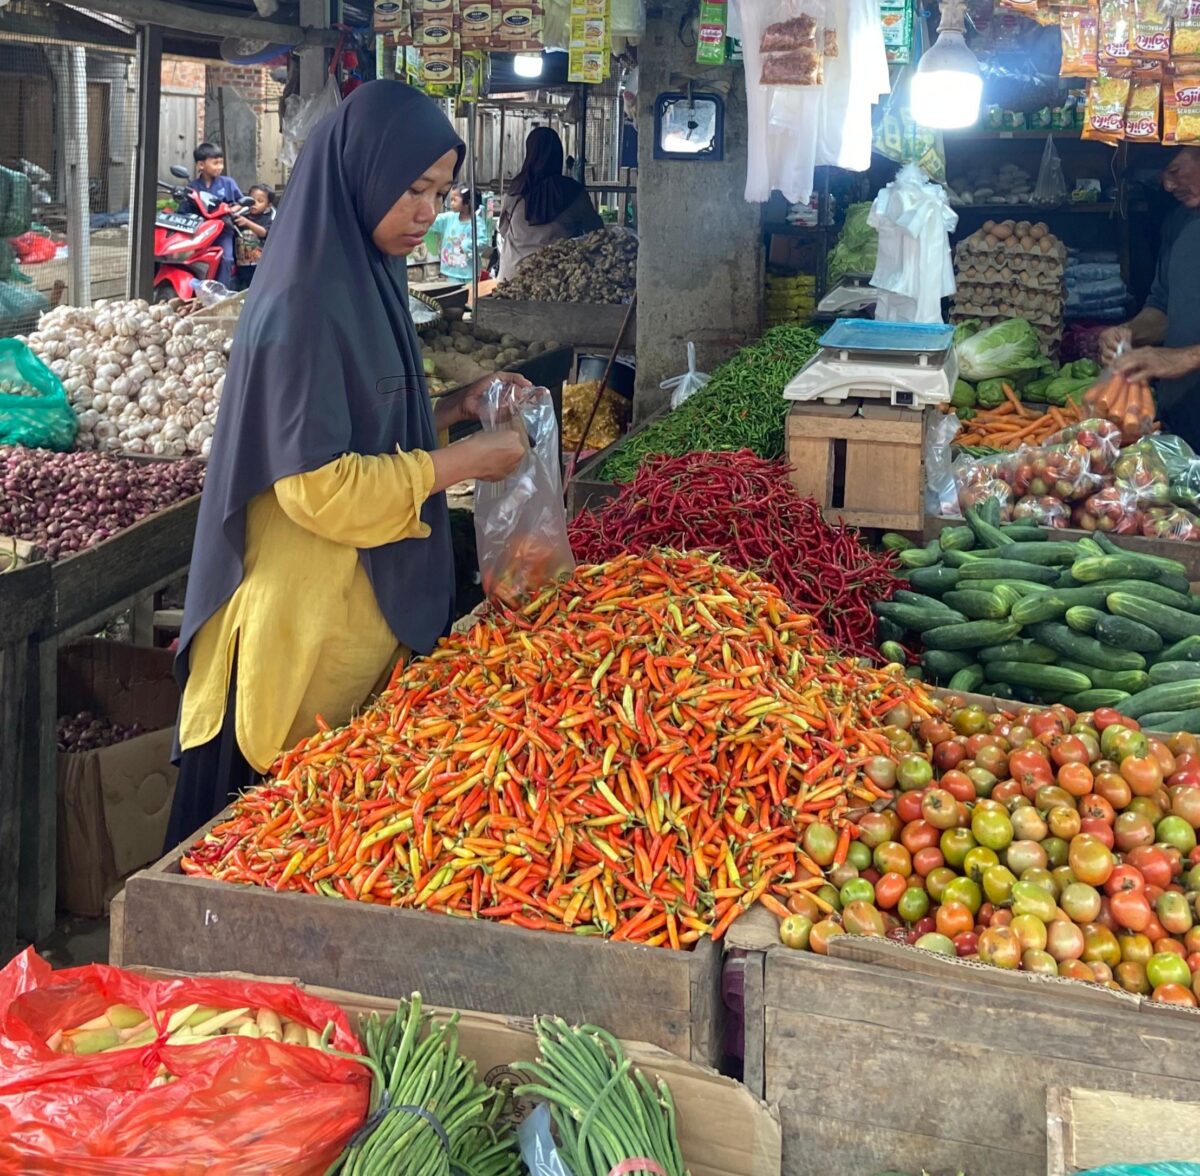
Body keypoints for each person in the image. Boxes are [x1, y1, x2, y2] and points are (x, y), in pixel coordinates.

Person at [165, 82, 529, 846]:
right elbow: (317, 486)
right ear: (361, 173)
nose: (428, 211)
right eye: (414, 189)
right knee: (233, 887)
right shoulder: (304, 303)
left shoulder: (368, 277)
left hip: (346, 630)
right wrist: (461, 462)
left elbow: (367, 426)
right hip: (290, 647)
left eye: (442, 192)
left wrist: (459, 406)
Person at [1100, 147, 1200, 446]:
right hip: (1184, 417)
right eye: (1162, 178)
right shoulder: (1179, 223)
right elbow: (1162, 306)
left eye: (1175, 171)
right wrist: (1129, 333)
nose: (1168, 187)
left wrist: (1187, 357)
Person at [497, 127, 603, 282]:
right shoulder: (573, 192)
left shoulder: (515, 190)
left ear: (529, 153)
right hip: (555, 280)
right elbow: (596, 230)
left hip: (511, 278)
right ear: (557, 154)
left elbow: (503, 229)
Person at [188, 142, 243, 287]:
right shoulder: (193, 187)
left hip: (224, 230)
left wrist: (232, 210)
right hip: (201, 232)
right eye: (215, 163)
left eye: (221, 163)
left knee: (226, 258)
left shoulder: (228, 183)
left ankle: (221, 292)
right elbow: (185, 210)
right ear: (201, 165)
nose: (219, 167)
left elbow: (240, 202)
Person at [427, 184, 490, 283]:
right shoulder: (448, 218)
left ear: (467, 202)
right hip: (450, 272)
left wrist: (467, 245)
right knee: (454, 297)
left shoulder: (477, 222)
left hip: (470, 273)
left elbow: (483, 242)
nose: (451, 203)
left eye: (454, 200)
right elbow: (432, 221)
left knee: (469, 298)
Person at [233, 183, 275, 288]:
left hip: (259, 266)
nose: (254, 203)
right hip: (241, 264)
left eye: (260, 201)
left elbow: (264, 233)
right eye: (251, 200)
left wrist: (247, 223)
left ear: (268, 205)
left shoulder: (269, 217)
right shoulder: (242, 214)